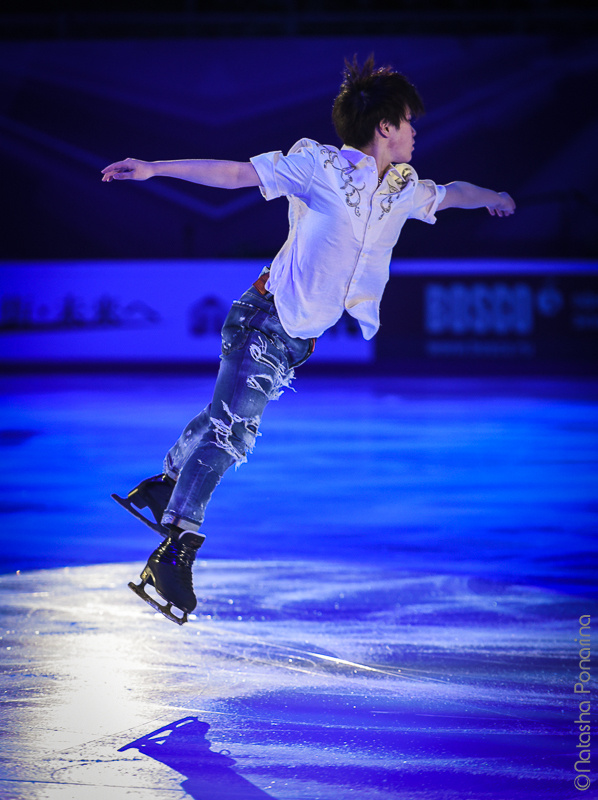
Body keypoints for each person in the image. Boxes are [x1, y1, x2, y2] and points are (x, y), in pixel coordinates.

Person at [102, 55, 515, 625]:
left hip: (296, 340)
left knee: (224, 414)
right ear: (385, 127)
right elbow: (234, 174)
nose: (416, 132)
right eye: (408, 122)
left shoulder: (402, 191)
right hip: (264, 319)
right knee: (231, 432)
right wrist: (154, 168)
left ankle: (165, 481)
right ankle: (174, 550)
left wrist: (492, 193)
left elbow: (454, 193)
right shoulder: (317, 166)